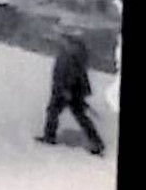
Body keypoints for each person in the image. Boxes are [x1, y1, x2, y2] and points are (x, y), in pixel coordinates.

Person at [37, 28, 105, 156]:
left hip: (69, 89)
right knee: (77, 115)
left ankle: (49, 137)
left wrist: (66, 89)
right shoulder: (74, 50)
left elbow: (71, 73)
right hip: (69, 88)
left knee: (56, 111)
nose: (62, 39)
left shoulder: (72, 52)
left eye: (64, 37)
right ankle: (97, 143)